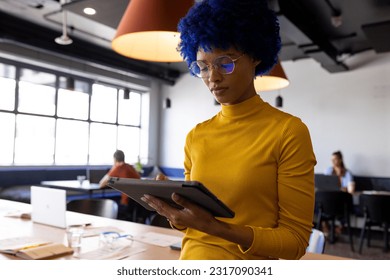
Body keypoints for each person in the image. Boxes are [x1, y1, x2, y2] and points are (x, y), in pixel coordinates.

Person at [141, 0, 317, 260]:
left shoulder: (288, 132)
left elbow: (294, 242)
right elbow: (192, 224)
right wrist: (175, 212)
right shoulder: (196, 136)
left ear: (255, 55)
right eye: (202, 66)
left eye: (224, 63)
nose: (212, 77)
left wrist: (217, 228)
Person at [99, 150, 141, 220]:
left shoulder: (118, 168)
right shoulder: (130, 167)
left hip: (126, 203)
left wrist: (113, 168)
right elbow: (138, 179)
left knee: (108, 206)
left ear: (115, 159)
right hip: (138, 203)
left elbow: (101, 184)